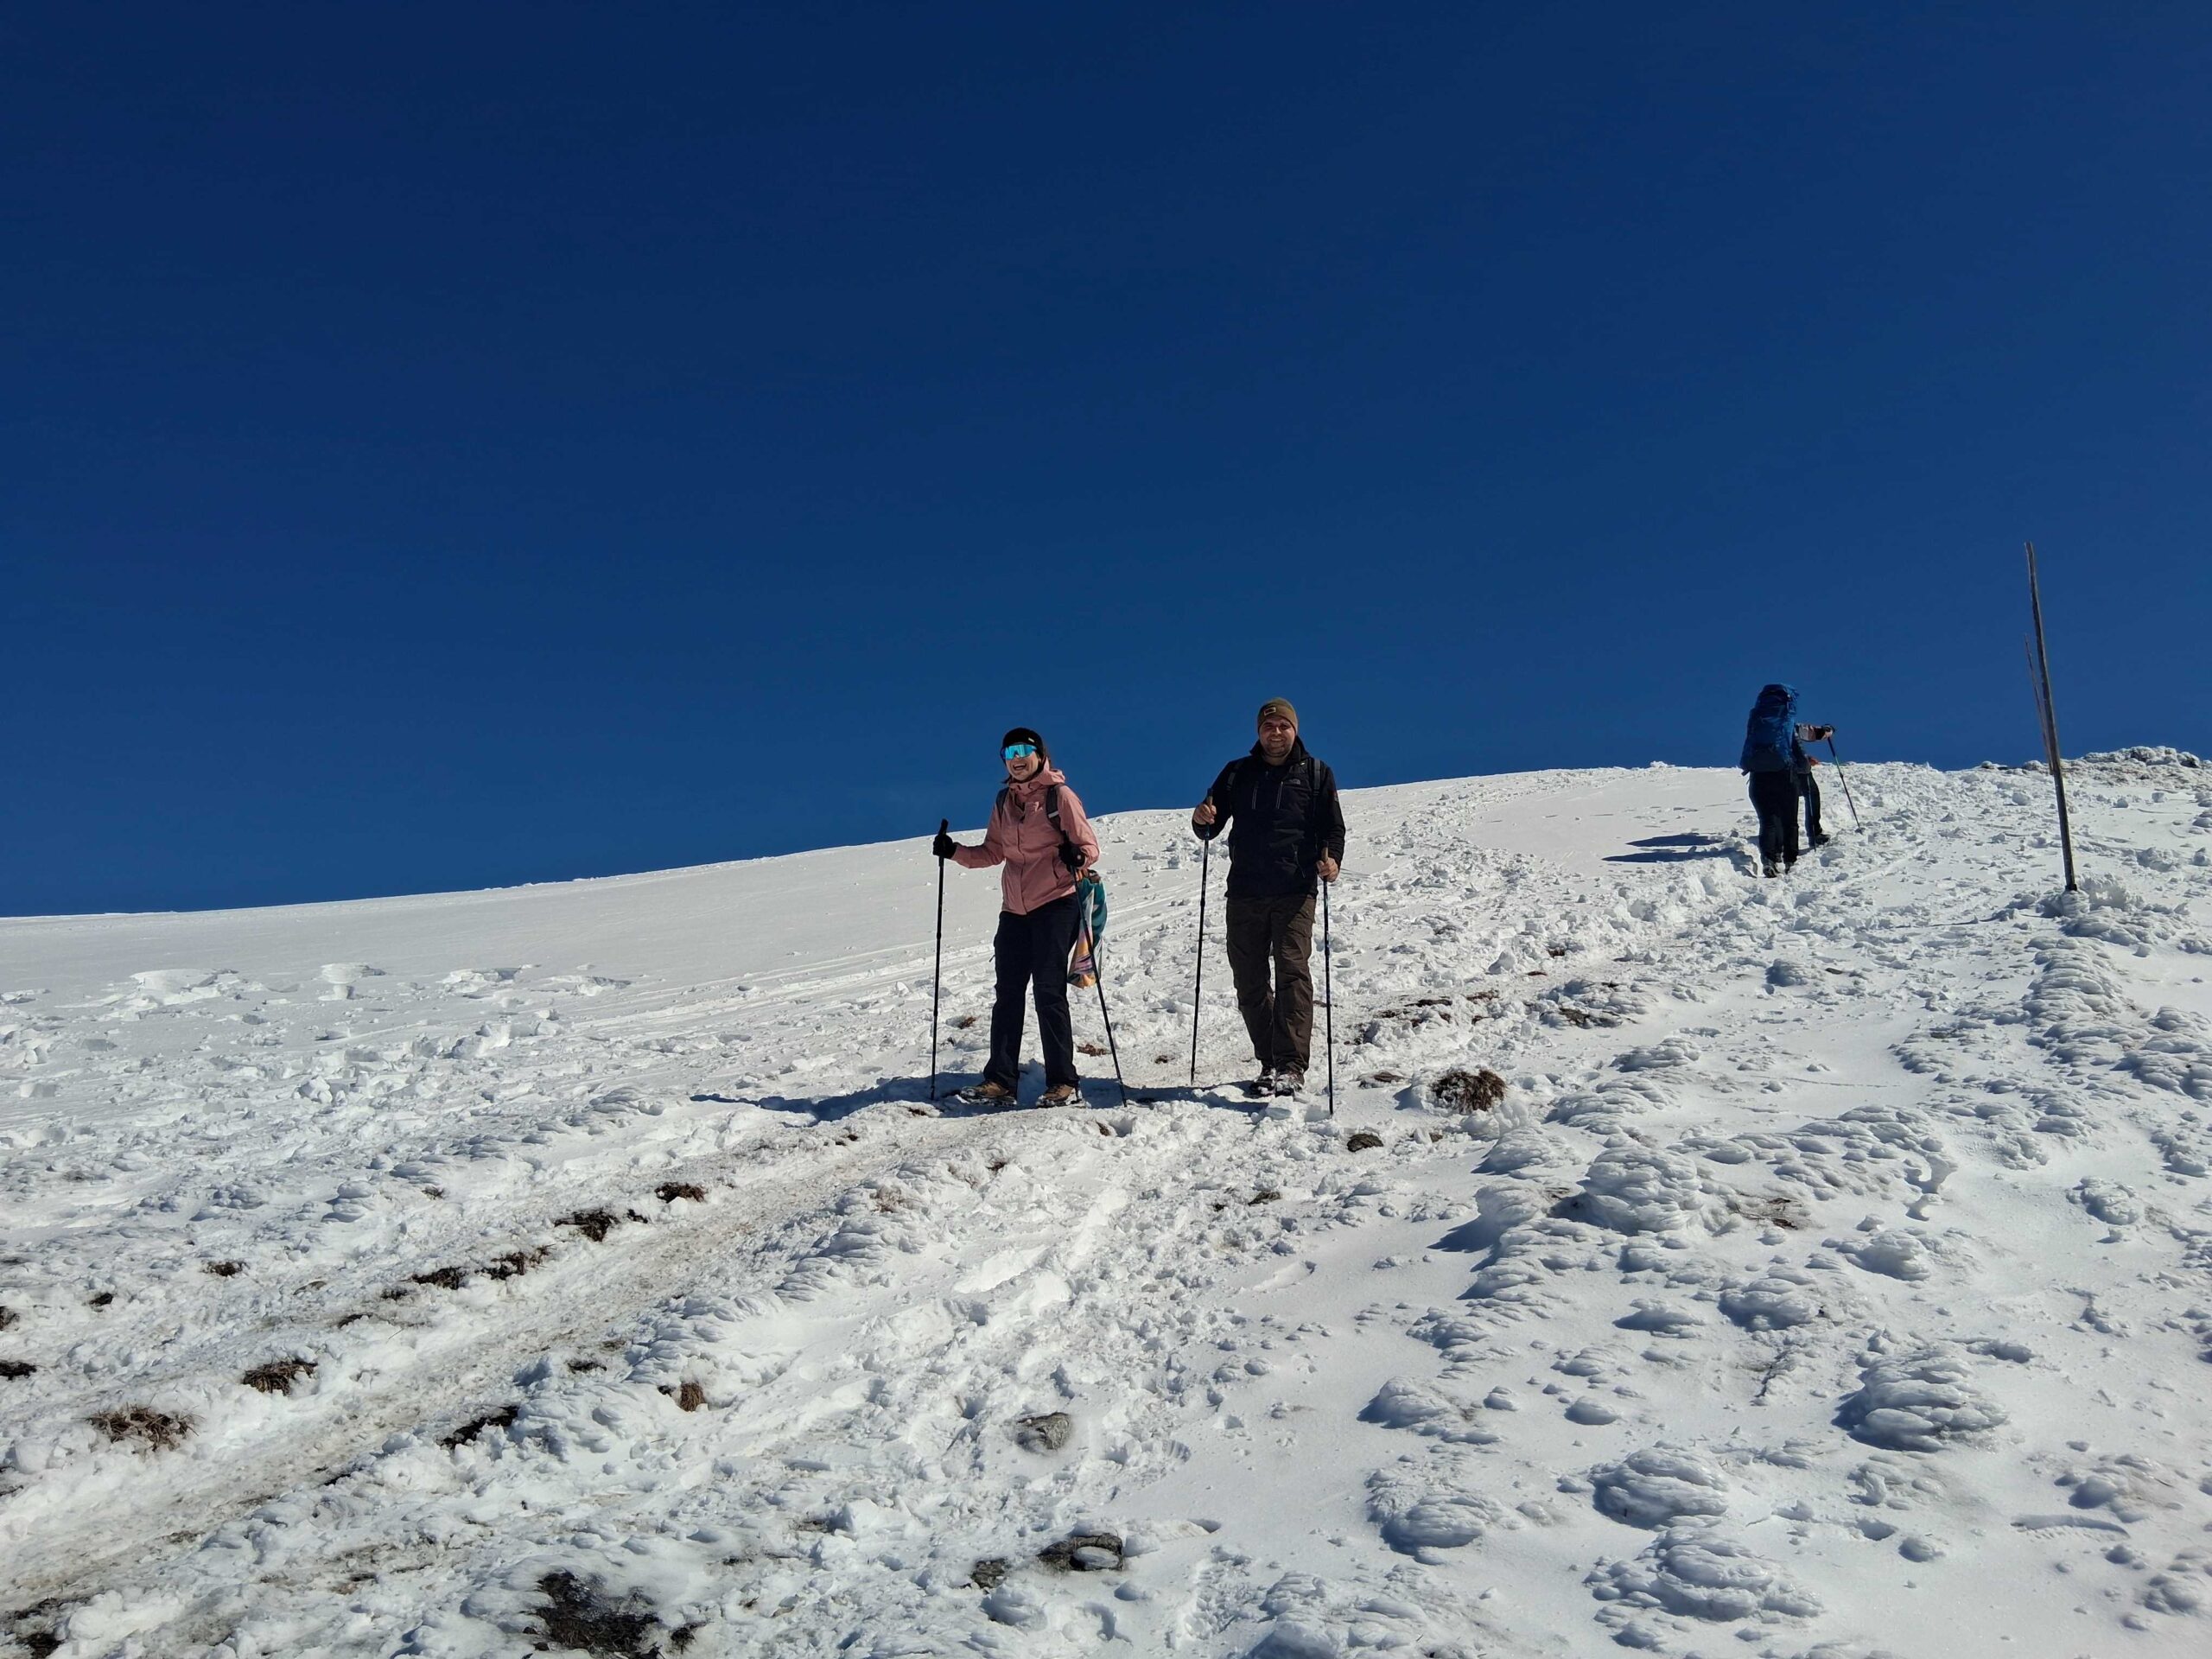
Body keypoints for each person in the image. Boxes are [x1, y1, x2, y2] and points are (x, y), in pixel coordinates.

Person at [934, 728, 1100, 1107]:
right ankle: (1000, 1081)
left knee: (1048, 992)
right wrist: (954, 851)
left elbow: (1089, 846)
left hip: (1056, 903)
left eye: (1025, 750)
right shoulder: (1004, 801)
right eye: (1010, 752)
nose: (1017, 758)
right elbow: (994, 852)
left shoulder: (1060, 796)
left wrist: (1077, 856)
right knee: (1007, 994)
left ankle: (1064, 1082)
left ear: (1040, 755)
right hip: (1014, 911)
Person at [1192, 698, 1345, 1096]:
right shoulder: (1236, 773)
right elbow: (1209, 824)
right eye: (1268, 727)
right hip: (1245, 891)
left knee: (1292, 971)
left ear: (1295, 729)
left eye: (1283, 726)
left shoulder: (1315, 773)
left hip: (1295, 889)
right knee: (1249, 981)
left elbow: (1333, 829)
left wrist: (1332, 860)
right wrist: (1201, 818)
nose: (1275, 733)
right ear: (1258, 732)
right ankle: (1270, 1061)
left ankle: (1291, 1065)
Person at [1739, 683, 1817, 877]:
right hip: (1785, 774)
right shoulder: (1786, 721)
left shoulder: (1756, 718)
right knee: (1790, 820)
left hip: (1758, 774)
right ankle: (1791, 860)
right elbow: (1798, 753)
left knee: (1768, 820)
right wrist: (1805, 768)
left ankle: (1769, 859)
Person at [1794, 720, 1836, 849]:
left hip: (1770, 771)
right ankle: (1815, 835)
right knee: (1812, 795)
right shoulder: (1787, 723)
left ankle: (1779, 840)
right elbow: (1810, 732)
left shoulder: (1758, 724)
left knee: (1784, 803)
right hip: (1797, 769)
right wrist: (1826, 731)